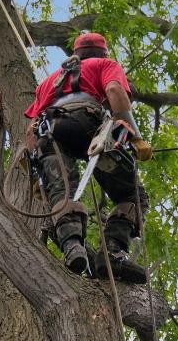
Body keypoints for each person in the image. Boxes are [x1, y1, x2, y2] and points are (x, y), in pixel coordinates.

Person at [24, 32, 152, 283]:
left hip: (48, 134)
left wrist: (37, 177)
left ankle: (72, 246)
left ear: (77, 54)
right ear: (102, 53)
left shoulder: (49, 82)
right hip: (87, 125)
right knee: (133, 195)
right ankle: (112, 253)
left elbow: (30, 130)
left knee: (62, 192)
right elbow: (114, 90)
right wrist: (135, 137)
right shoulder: (105, 65)